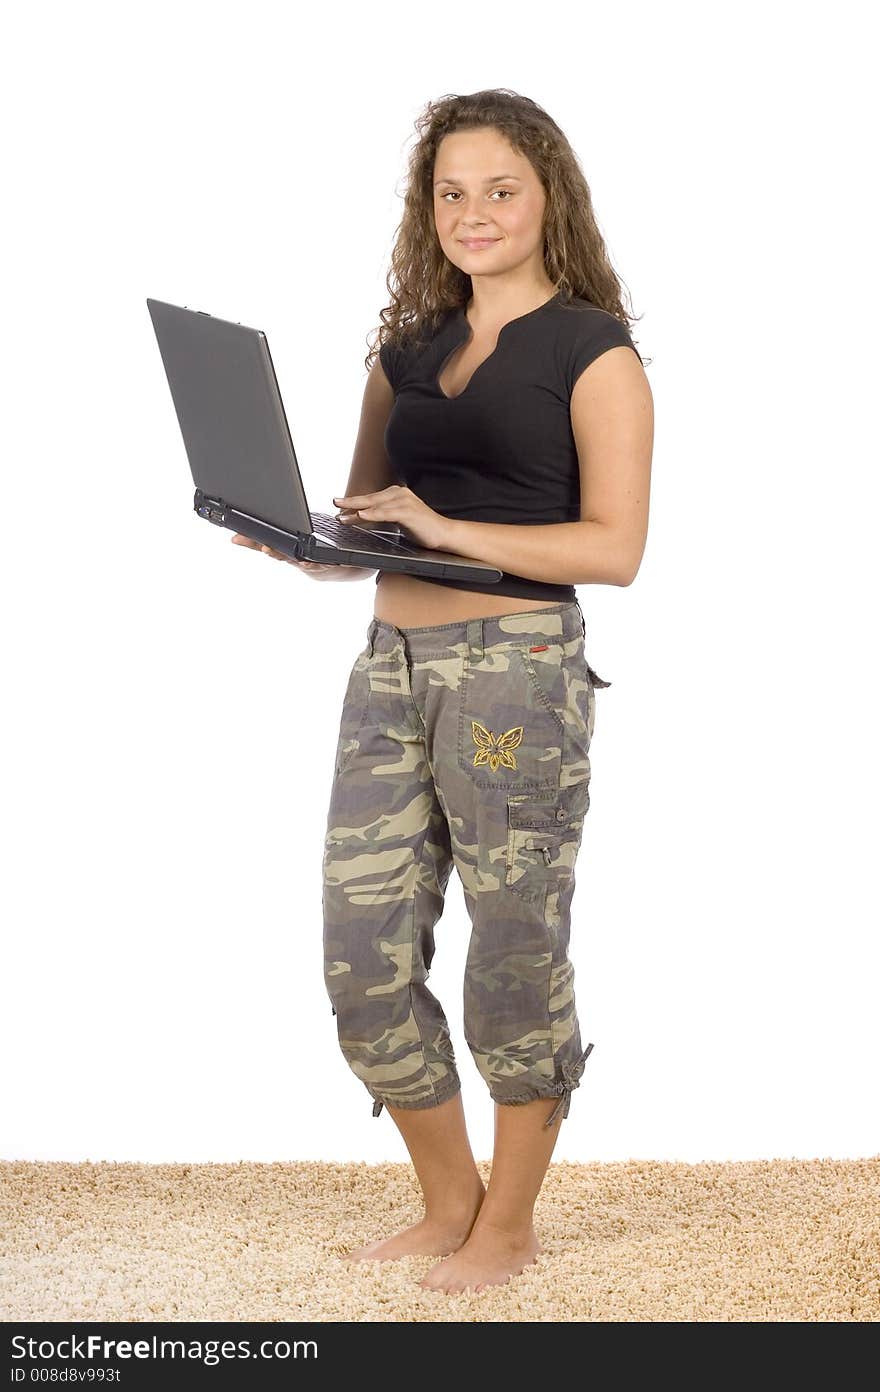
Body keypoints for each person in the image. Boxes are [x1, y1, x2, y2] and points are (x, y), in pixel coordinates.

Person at [233, 89, 653, 1295]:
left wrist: (443, 523)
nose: (473, 213)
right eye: (450, 192)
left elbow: (615, 549)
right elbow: (376, 522)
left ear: (547, 199)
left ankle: (509, 1230)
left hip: (515, 673)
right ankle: (449, 1201)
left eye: (499, 189)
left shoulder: (593, 350)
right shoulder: (406, 348)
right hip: (388, 667)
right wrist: (303, 537)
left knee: (513, 953)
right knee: (360, 957)